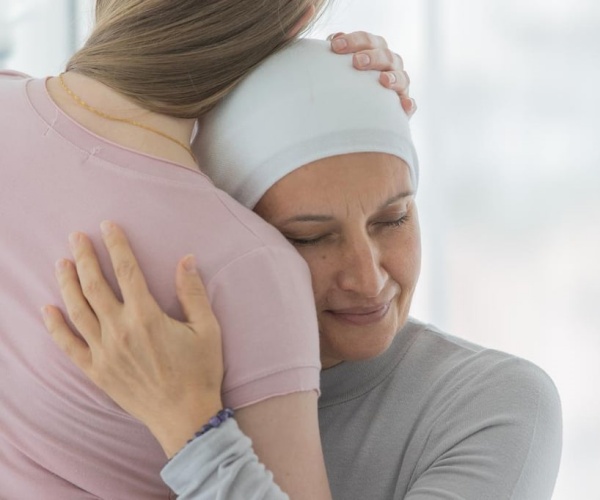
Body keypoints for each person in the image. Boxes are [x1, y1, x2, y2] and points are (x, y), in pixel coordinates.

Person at [44, 39, 563, 499]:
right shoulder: (139, 367)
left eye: (394, 218)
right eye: (309, 237)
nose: (368, 278)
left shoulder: (494, 405)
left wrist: (193, 431)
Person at [0, 0, 413, 497]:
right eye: (309, 236)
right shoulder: (244, 265)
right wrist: (193, 425)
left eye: (393, 219)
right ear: (299, 18)